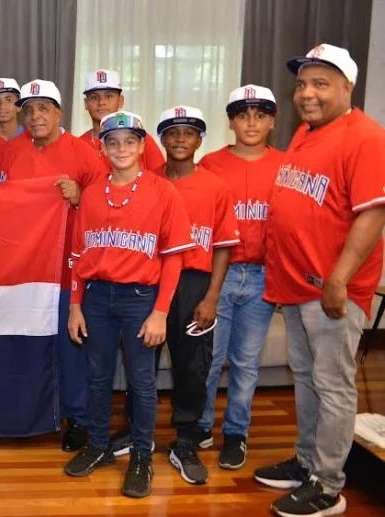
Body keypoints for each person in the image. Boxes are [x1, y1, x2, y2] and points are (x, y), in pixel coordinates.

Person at [256, 44, 385, 517]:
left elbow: (372, 214)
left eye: (320, 84)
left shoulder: (366, 137)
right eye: (302, 85)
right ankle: (307, 460)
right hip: (297, 285)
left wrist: (340, 280)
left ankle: (328, 485)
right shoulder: (308, 134)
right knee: (307, 378)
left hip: (330, 289)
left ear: (347, 87)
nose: (307, 94)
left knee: (333, 385)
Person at [65, 111, 193, 498]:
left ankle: (140, 455)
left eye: (129, 141)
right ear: (102, 149)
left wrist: (161, 311)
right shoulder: (91, 194)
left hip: (141, 299)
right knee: (99, 377)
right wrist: (75, 305)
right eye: (112, 142)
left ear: (141, 146)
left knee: (141, 382)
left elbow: (174, 257)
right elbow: (77, 256)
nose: (121, 148)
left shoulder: (163, 191)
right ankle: (99, 446)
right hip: (98, 296)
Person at [1, 79, 105, 452]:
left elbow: (108, 209)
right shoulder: (13, 152)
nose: (35, 116)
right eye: (28, 110)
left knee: (71, 346)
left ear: (59, 112)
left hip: (68, 269)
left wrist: (81, 198)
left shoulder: (83, 153)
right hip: (25, 269)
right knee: (29, 343)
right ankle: (34, 412)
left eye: (43, 108)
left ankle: (77, 417)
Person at [196, 85, 283, 470]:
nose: (251, 122)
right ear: (230, 121)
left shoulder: (286, 165)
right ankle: (200, 425)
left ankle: (236, 433)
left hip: (263, 276)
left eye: (260, 115)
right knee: (210, 359)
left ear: (272, 122)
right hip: (220, 274)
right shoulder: (211, 164)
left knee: (246, 361)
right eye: (243, 115)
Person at [154, 106, 239, 486]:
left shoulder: (216, 186)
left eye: (188, 133)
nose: (180, 140)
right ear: (162, 140)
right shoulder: (147, 181)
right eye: (172, 133)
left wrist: (212, 296)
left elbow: (222, 246)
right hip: (152, 282)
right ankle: (139, 432)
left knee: (193, 365)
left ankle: (186, 438)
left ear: (200, 140)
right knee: (143, 360)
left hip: (194, 283)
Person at [79, 69, 165, 171]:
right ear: (86, 103)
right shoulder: (79, 145)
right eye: (94, 97)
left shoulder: (141, 139)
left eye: (109, 96)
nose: (101, 102)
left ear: (120, 101)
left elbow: (160, 180)